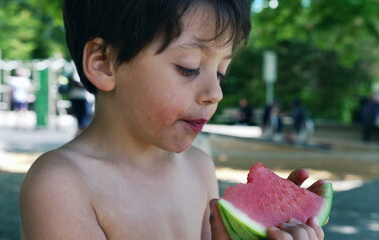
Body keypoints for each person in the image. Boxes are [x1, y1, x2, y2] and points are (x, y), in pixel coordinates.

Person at [19, 0, 327, 239]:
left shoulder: (199, 167)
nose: (215, 93)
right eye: (189, 67)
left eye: (220, 72)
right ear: (104, 63)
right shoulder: (61, 184)